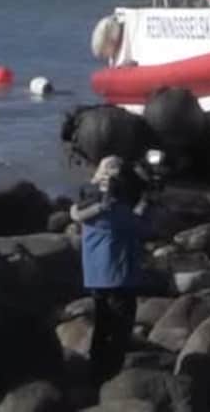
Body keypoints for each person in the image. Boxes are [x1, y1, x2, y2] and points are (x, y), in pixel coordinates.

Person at [71, 155, 151, 385]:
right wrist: (145, 202)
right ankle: (110, 377)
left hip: (96, 277)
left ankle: (96, 372)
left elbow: (79, 212)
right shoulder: (115, 211)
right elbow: (142, 227)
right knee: (118, 331)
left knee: (102, 326)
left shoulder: (90, 208)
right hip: (119, 277)